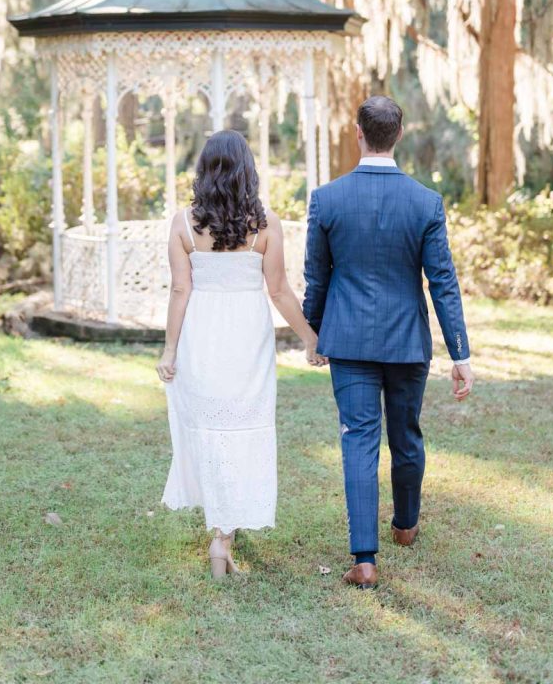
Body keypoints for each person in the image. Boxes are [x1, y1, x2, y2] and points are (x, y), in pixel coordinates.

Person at [303, 95, 474, 589]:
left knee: (358, 438)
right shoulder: (425, 201)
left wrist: (315, 333)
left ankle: (364, 559)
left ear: (357, 132)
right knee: (406, 435)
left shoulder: (327, 198)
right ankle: (405, 525)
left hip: (349, 340)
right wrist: (460, 354)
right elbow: (442, 281)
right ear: (399, 134)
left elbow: (317, 276)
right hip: (406, 342)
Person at [156, 129, 324, 577]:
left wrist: (170, 350)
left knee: (212, 426)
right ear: (248, 170)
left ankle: (223, 528)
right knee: (243, 426)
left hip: (201, 335)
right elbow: (280, 290)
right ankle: (222, 537)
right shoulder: (265, 224)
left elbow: (179, 288)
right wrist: (309, 337)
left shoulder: (182, 223)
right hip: (247, 337)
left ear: (204, 170)